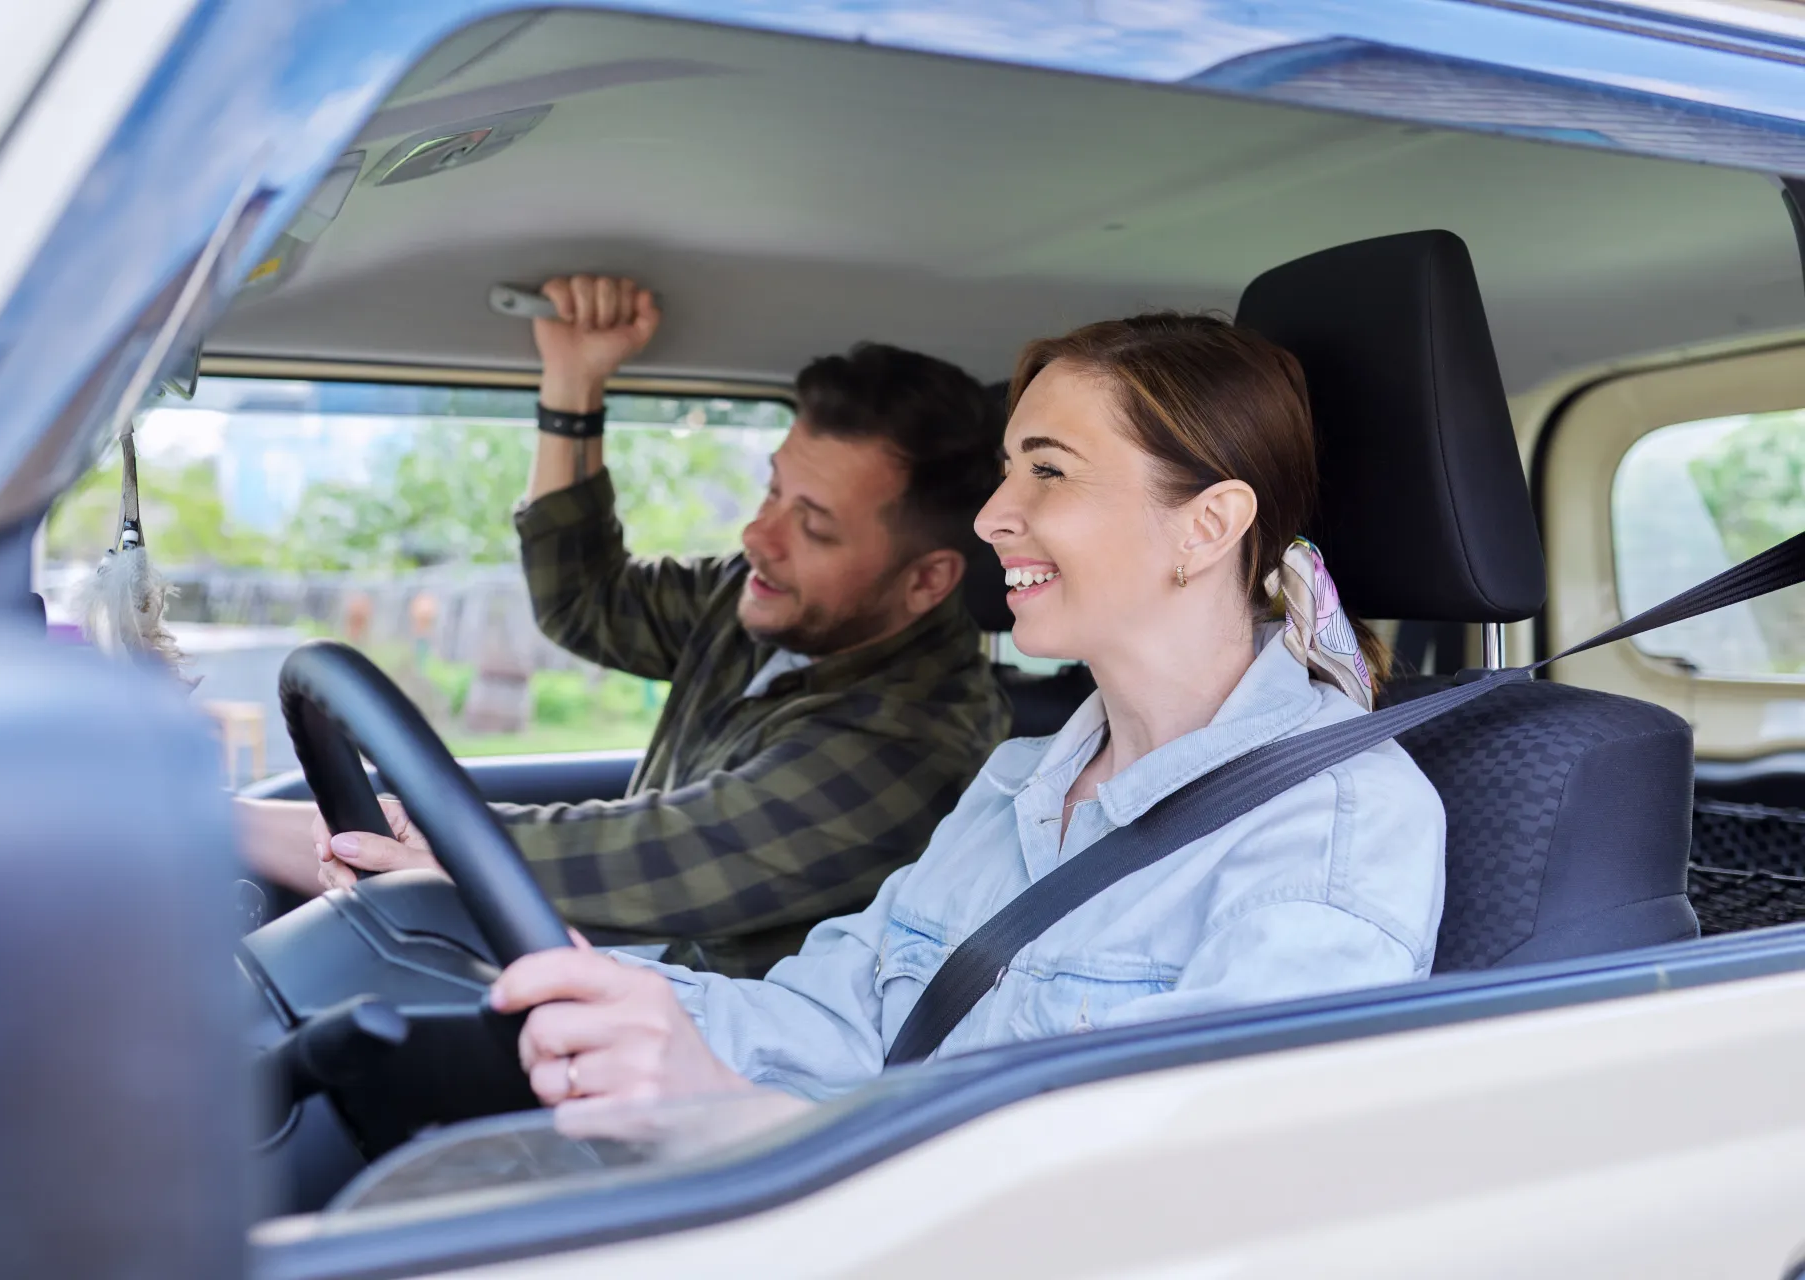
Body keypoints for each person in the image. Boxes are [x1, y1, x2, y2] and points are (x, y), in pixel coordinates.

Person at [482, 311, 1448, 1108]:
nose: (992, 514)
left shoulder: (1331, 835)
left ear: (1207, 524)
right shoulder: (1018, 783)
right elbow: (840, 1019)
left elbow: (1156, 1199)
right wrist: (621, 998)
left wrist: (737, 1121)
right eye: (1006, 467)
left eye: (1049, 469)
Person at [240, 275, 1011, 977]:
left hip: (714, 1076)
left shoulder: (911, 747)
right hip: (621, 983)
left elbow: (655, 853)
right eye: (773, 491)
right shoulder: (764, 602)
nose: (757, 536)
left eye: (813, 526)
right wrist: (574, 382)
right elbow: (585, 604)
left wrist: (261, 826)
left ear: (928, 580)